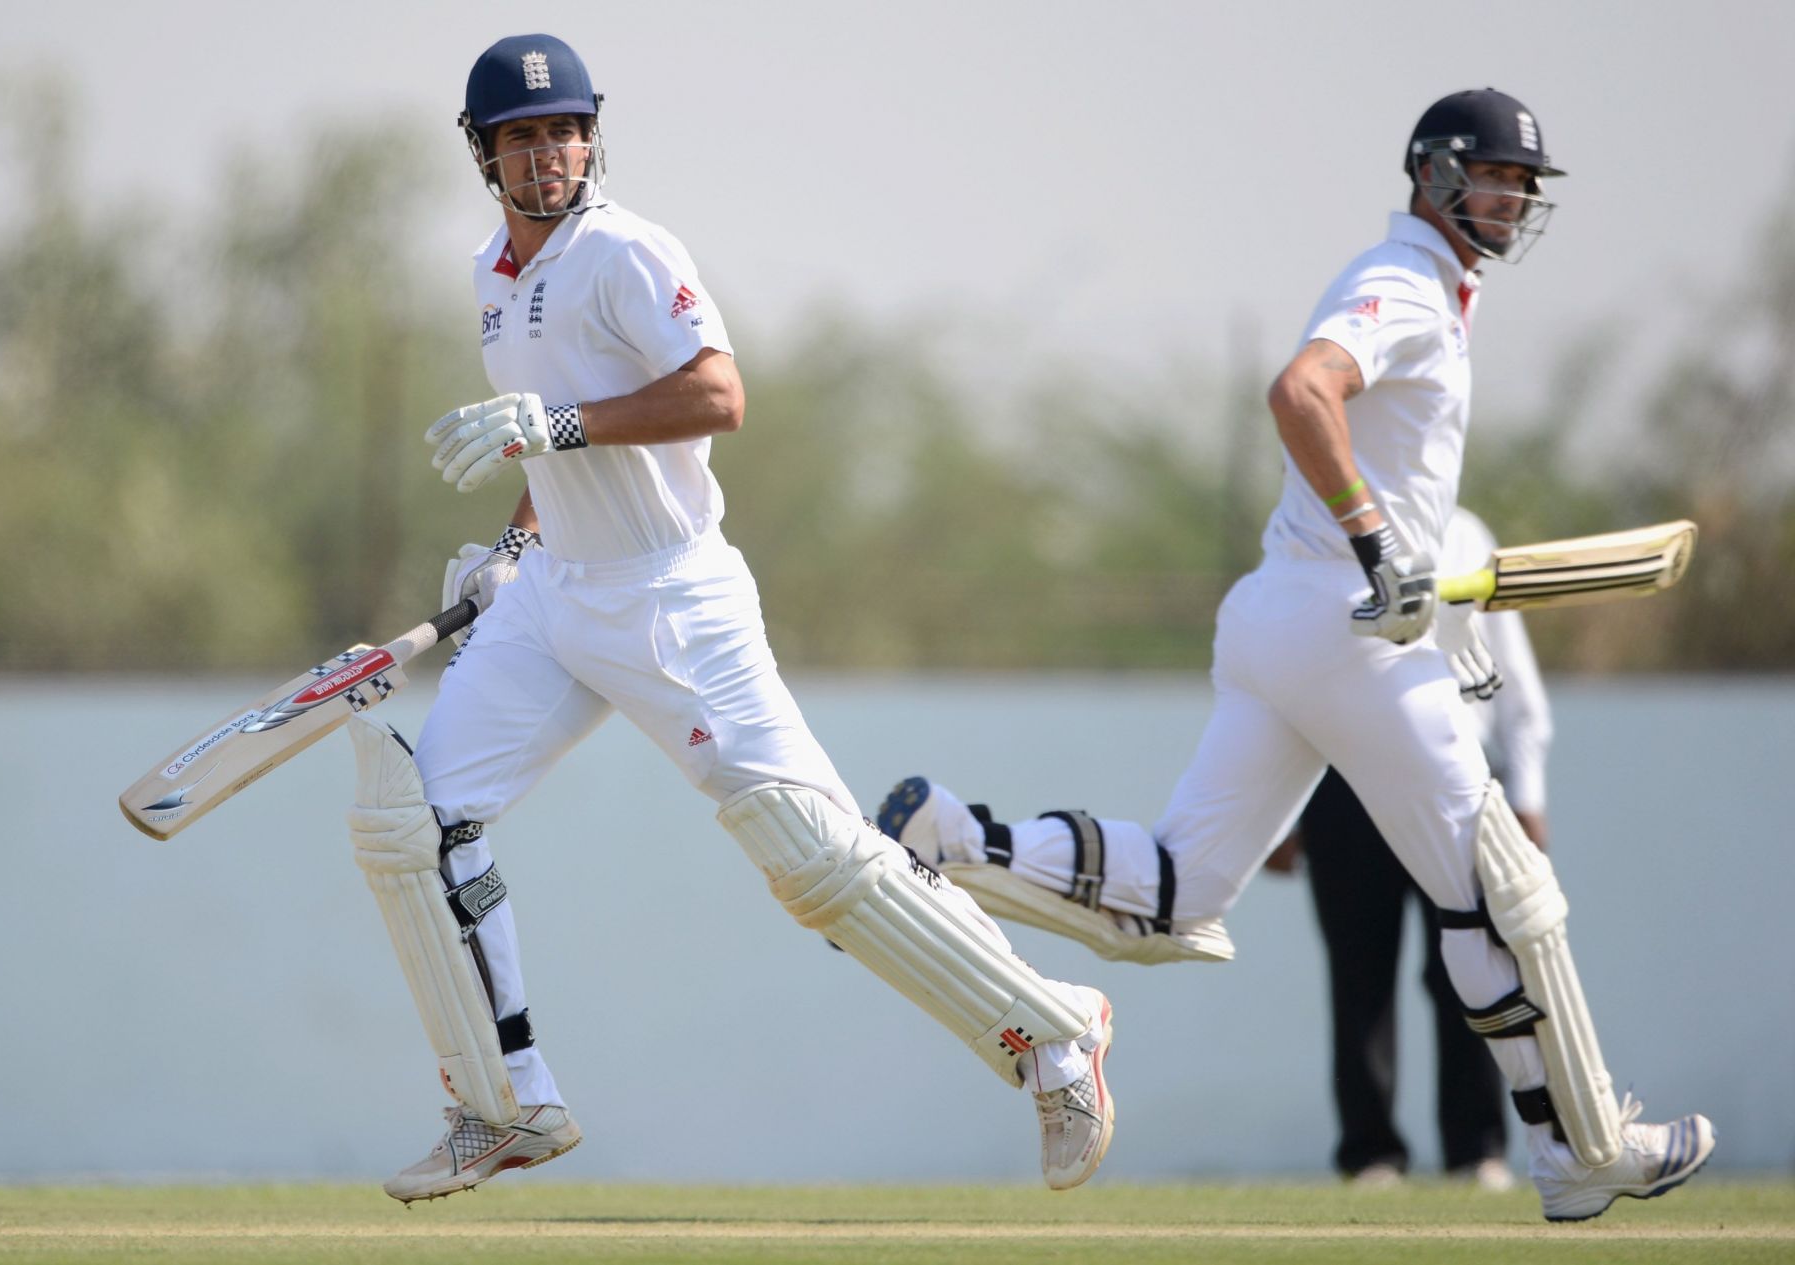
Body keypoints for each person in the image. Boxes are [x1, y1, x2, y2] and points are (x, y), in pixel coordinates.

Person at [877, 90, 1715, 1222]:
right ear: (1434, 175)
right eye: (1497, 176)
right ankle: (1585, 1143)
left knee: (1179, 892)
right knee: (1504, 892)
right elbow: (1300, 389)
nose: (1514, 197)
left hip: (1281, 617)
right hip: (1346, 627)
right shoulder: (1405, 281)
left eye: (1525, 184)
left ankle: (952, 839)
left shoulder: (1434, 289)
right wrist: (1377, 543)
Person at [339, 34, 1114, 1204]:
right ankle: (504, 1104)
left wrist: (547, 433)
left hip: (671, 597)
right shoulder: (491, 275)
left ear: (593, 137)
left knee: (809, 859)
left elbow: (716, 394)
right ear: (483, 155)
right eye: (520, 137)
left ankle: (1056, 1032)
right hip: (556, 599)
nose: (546, 155)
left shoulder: (628, 250)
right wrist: (512, 545)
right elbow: (555, 444)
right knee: (415, 827)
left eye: (563, 131)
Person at [1263, 506, 1552, 1191]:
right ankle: (1371, 1155)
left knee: (1472, 961)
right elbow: (1280, 668)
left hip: (1454, 774)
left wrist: (1528, 792)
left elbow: (1510, 671)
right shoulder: (1305, 531)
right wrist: (1275, 806)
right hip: (1344, 777)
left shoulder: (1464, 532)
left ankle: (1476, 1148)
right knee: (1359, 972)